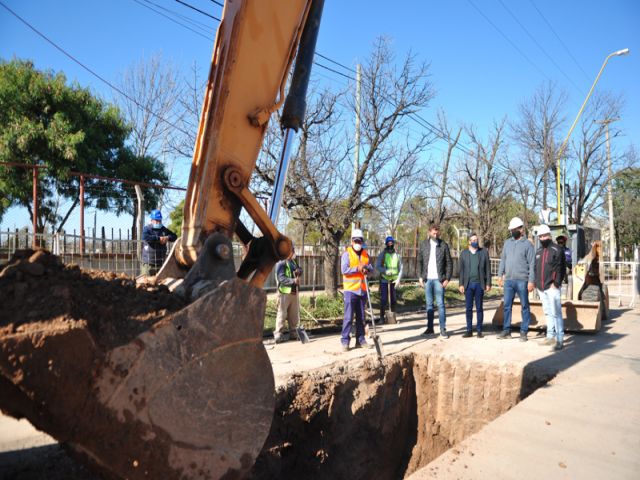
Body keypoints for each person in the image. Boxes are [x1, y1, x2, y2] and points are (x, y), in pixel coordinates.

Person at [497, 217, 536, 342]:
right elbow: (503, 259)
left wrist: (531, 281)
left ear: (521, 229)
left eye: (514, 229)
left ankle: (524, 331)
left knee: (525, 306)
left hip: (522, 280)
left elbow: (532, 264)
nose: (512, 231)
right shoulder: (507, 243)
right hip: (508, 281)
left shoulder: (528, 245)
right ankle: (506, 330)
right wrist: (499, 275)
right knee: (507, 306)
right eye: (511, 229)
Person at [340, 229, 374, 351]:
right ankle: (345, 341)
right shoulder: (346, 254)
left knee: (361, 318)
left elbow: (371, 268)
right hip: (350, 291)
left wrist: (367, 269)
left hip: (362, 290)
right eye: (356, 240)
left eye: (360, 240)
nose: (358, 242)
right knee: (348, 317)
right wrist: (357, 268)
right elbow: (344, 270)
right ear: (352, 241)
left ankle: (360, 340)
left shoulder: (365, 254)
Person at [418, 224, 453, 338]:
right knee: (429, 305)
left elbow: (449, 263)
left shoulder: (443, 245)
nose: (436, 234)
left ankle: (442, 329)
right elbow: (419, 262)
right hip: (427, 279)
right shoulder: (424, 245)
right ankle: (430, 328)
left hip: (439, 280)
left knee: (440, 305)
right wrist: (420, 277)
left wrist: (447, 278)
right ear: (429, 232)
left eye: (437, 232)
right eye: (434, 232)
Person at [535, 225, 566, 351]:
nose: (542, 238)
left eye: (544, 235)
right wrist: (536, 283)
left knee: (556, 313)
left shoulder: (557, 249)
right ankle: (550, 336)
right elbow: (535, 268)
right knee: (547, 312)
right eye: (540, 236)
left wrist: (556, 283)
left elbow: (561, 268)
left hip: (552, 287)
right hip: (541, 288)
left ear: (549, 235)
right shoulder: (538, 252)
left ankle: (559, 339)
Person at [458, 233, 491, 338]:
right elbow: (461, 271)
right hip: (468, 285)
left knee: (479, 308)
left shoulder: (483, 252)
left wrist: (488, 283)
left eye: (476, 240)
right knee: (468, 308)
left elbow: (487, 269)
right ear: (469, 241)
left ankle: (479, 330)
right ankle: (469, 330)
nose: (474, 241)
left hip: (479, 284)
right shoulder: (464, 253)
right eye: (472, 240)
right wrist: (461, 284)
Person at [274, 246, 303, 343]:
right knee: (282, 314)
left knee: (293, 315)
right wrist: (293, 281)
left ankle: (293, 333)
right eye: (292, 251)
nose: (294, 253)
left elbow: (299, 269)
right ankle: (278, 334)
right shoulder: (281, 263)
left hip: (294, 293)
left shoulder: (293, 262)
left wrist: (299, 271)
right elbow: (281, 278)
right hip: (284, 293)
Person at [141, 209, 177, 276]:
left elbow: (174, 236)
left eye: (159, 220)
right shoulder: (147, 229)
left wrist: (167, 237)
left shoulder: (163, 229)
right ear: (152, 220)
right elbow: (145, 237)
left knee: (160, 283)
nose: (158, 222)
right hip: (149, 263)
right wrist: (158, 239)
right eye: (156, 220)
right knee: (146, 283)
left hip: (161, 263)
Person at [376, 236, 403, 324]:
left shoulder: (397, 255)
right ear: (386, 243)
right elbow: (378, 266)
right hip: (384, 280)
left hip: (394, 281)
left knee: (394, 300)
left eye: (391, 242)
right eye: (389, 242)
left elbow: (401, 267)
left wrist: (398, 279)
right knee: (384, 299)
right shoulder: (382, 254)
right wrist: (385, 271)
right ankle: (381, 318)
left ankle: (393, 317)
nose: (390, 244)